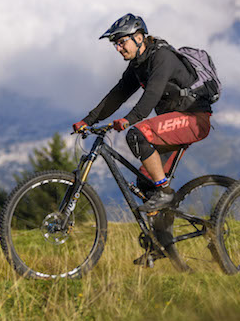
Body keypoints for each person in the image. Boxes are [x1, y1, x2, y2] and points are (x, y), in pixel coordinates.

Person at [73, 13, 213, 214]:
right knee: (146, 184)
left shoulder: (162, 56)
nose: (118, 48)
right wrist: (87, 120)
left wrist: (129, 120)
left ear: (139, 37)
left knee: (138, 134)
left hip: (193, 119)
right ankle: (162, 241)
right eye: (116, 45)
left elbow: (152, 94)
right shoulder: (138, 65)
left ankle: (165, 191)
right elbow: (118, 94)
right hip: (173, 123)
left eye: (121, 42)